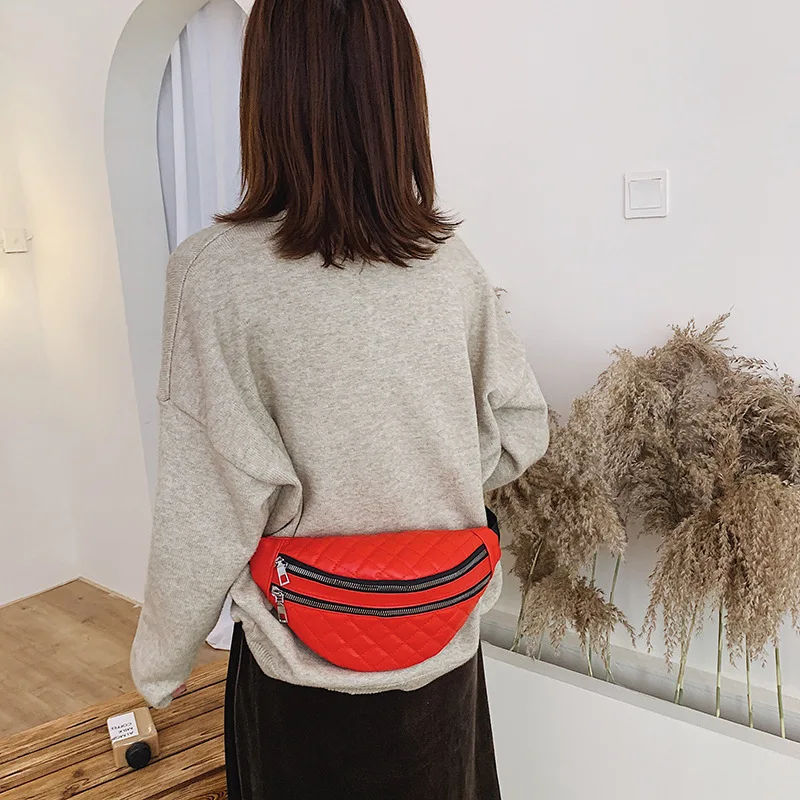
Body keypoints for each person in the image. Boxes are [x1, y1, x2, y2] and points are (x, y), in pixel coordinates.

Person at [130, 0, 549, 797]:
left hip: (302, 673)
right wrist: (429, 474)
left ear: (268, 88)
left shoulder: (214, 275)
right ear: (398, 91)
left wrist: (161, 663)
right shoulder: (447, 263)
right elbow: (523, 427)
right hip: (442, 655)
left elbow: (208, 503)